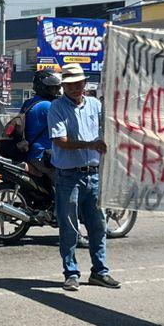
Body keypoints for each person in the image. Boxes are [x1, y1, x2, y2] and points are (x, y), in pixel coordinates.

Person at [47, 64, 120, 291]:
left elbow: (109, 128)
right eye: (70, 84)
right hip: (69, 176)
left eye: (78, 83)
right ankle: (71, 272)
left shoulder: (96, 105)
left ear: (84, 83)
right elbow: (60, 141)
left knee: (98, 225)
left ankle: (100, 271)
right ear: (64, 86)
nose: (75, 87)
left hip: (94, 174)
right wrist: (91, 144)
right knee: (69, 228)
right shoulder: (57, 108)